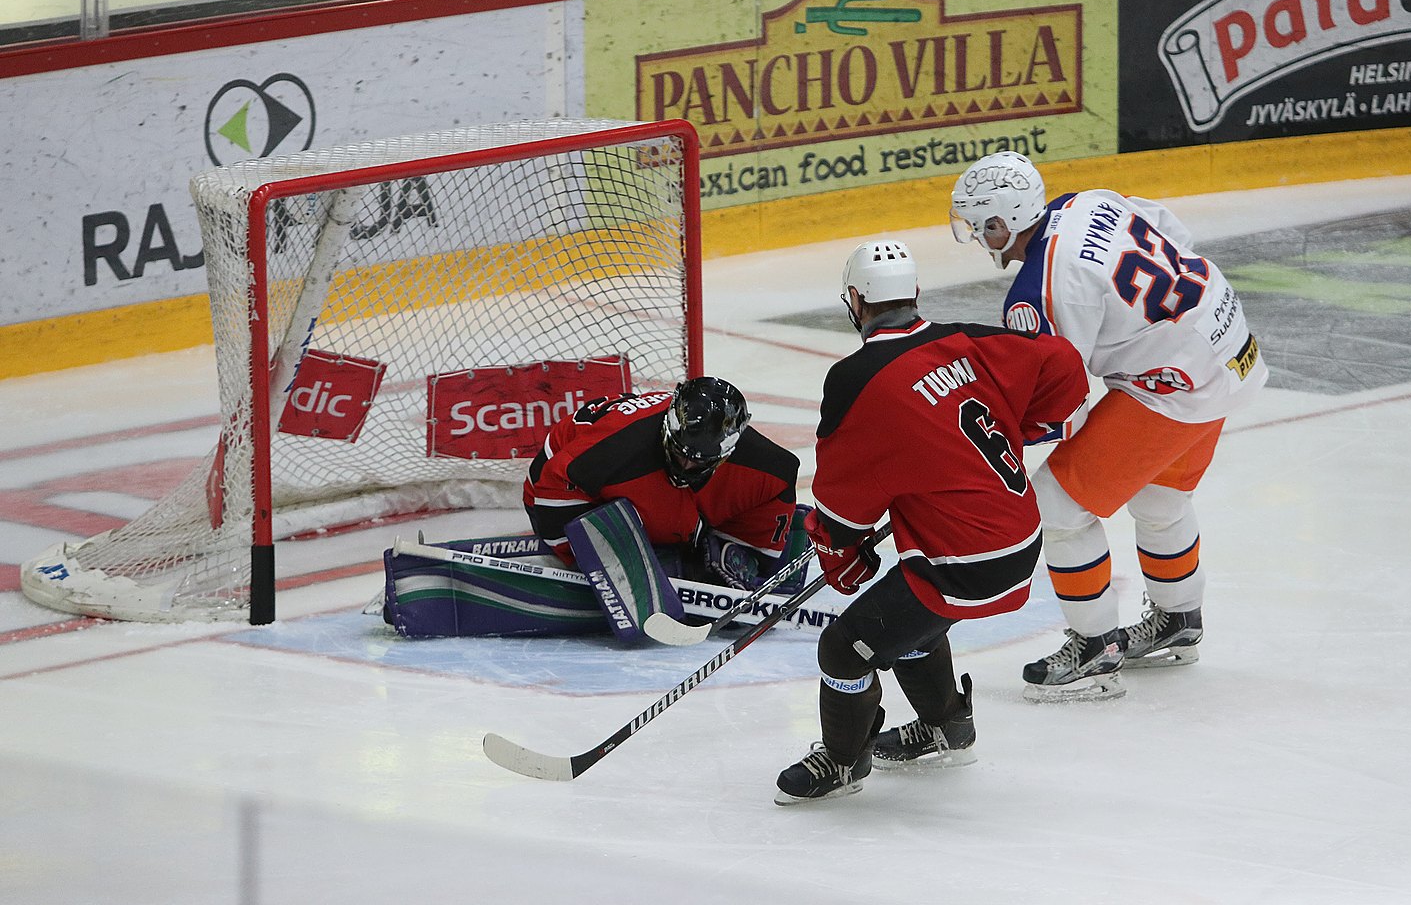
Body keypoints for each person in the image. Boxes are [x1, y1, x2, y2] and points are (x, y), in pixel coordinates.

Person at [774, 239, 1090, 804]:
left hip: (962, 563)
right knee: (909, 617)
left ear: (855, 300)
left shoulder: (856, 377)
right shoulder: (972, 340)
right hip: (1018, 542)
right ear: (914, 293)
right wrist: (1018, 423)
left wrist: (841, 550)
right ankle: (947, 727)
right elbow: (1064, 363)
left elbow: (843, 494)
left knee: (844, 649)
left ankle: (844, 762)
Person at [949, 151, 1269, 702]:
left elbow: (1061, 401)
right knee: (1159, 499)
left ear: (1001, 222)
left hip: (1179, 383)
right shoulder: (1087, 201)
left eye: (982, 226)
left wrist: (997, 453)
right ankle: (1178, 621)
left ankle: (1095, 648)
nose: (979, 237)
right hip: (1227, 339)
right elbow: (1173, 232)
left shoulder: (1040, 291)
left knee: (1057, 507)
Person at [523, 376, 803, 594]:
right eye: (679, 453)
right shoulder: (618, 447)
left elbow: (781, 479)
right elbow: (551, 485)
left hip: (643, 492)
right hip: (554, 489)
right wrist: (583, 562)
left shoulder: (765, 465)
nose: (686, 466)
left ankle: (687, 553)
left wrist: (745, 556)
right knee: (671, 550)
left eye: (700, 462)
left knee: (709, 549)